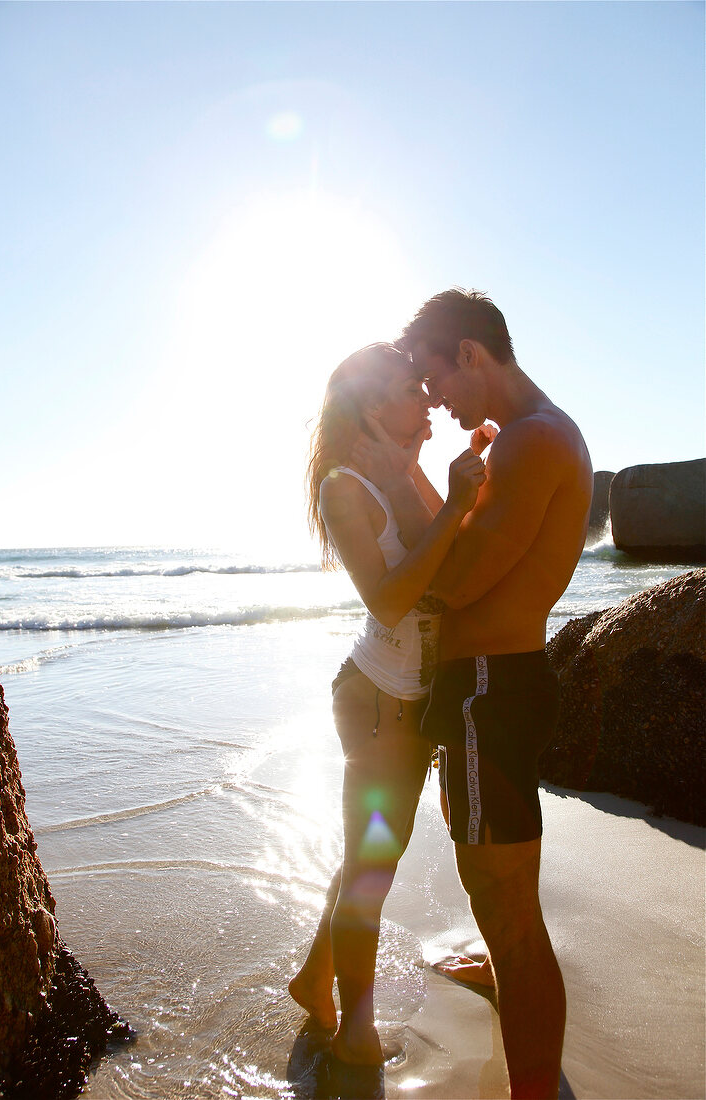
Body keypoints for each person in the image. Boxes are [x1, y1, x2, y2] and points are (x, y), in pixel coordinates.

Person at [353, 289, 593, 1100]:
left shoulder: (531, 443)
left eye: (434, 379)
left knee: (511, 913)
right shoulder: (531, 435)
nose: (433, 400)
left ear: (469, 354)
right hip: (486, 688)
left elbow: (451, 585)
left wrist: (422, 493)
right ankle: (499, 970)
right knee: (490, 885)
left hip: (489, 689)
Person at [288, 342, 488, 1066]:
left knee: (372, 857)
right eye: (413, 389)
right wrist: (454, 500)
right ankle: (354, 1033)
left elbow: (455, 558)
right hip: (379, 700)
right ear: (374, 405)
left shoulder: (401, 473)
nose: (429, 401)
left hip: (415, 700)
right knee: (372, 864)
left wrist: (425, 477)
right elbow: (391, 596)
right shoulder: (342, 487)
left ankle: (315, 979)